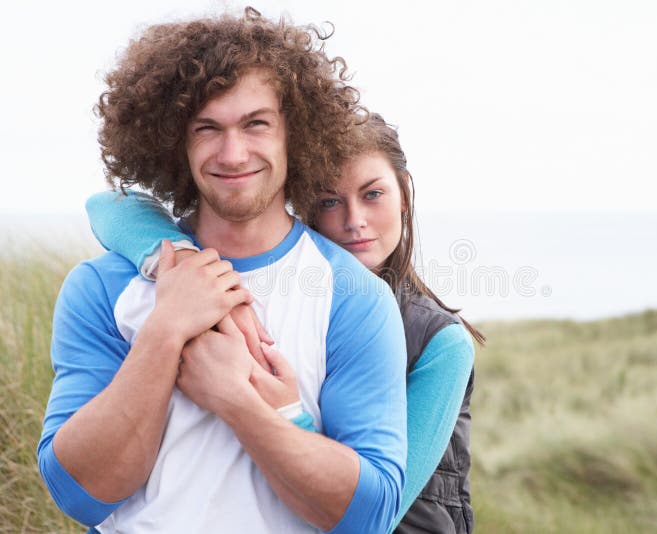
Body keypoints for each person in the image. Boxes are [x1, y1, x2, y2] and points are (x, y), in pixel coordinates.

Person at [37, 9, 408, 534]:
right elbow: (80, 496)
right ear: (175, 143)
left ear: (292, 134)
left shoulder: (354, 297)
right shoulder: (101, 287)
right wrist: (165, 333)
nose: (233, 154)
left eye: (256, 124)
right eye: (206, 129)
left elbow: (369, 517)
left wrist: (236, 400)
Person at [86, 113, 485, 532]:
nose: (354, 220)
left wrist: (285, 413)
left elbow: (374, 518)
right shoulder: (303, 296)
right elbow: (108, 204)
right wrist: (184, 263)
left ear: (403, 195)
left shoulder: (442, 344)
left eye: (373, 194)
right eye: (329, 201)